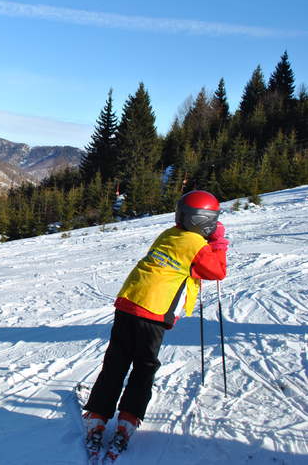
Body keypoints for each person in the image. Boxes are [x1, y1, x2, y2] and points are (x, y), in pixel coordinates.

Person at [82, 190, 229, 463]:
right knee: (144, 365)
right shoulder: (198, 245)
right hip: (153, 311)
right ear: (205, 221)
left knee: (116, 360)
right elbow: (217, 271)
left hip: (129, 301)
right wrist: (217, 243)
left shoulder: (168, 234)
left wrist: (205, 237)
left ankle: (98, 415)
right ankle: (128, 418)